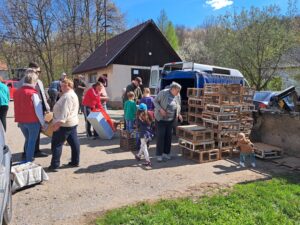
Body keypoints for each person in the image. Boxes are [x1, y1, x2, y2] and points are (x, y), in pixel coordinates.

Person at [17, 62, 50, 158]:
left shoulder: (39, 81)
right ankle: (27, 154)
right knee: (30, 136)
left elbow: (43, 95)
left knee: (36, 133)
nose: (39, 73)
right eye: (37, 71)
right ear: (31, 70)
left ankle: (36, 151)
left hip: (39, 107)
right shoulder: (23, 82)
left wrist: (47, 107)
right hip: (31, 111)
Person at [48, 78, 80, 172]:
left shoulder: (68, 96)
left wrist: (58, 123)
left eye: (62, 85)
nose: (60, 87)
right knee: (74, 143)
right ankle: (75, 161)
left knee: (57, 144)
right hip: (71, 123)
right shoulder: (71, 94)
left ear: (67, 86)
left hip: (65, 124)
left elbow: (65, 112)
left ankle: (54, 165)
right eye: (60, 85)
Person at [153, 82, 182, 162]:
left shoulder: (177, 95)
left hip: (171, 120)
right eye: (177, 90)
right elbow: (155, 101)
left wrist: (178, 113)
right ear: (172, 89)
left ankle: (166, 153)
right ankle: (159, 155)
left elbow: (178, 104)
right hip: (161, 119)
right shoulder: (163, 93)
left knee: (169, 137)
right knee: (161, 136)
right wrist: (160, 109)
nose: (178, 92)